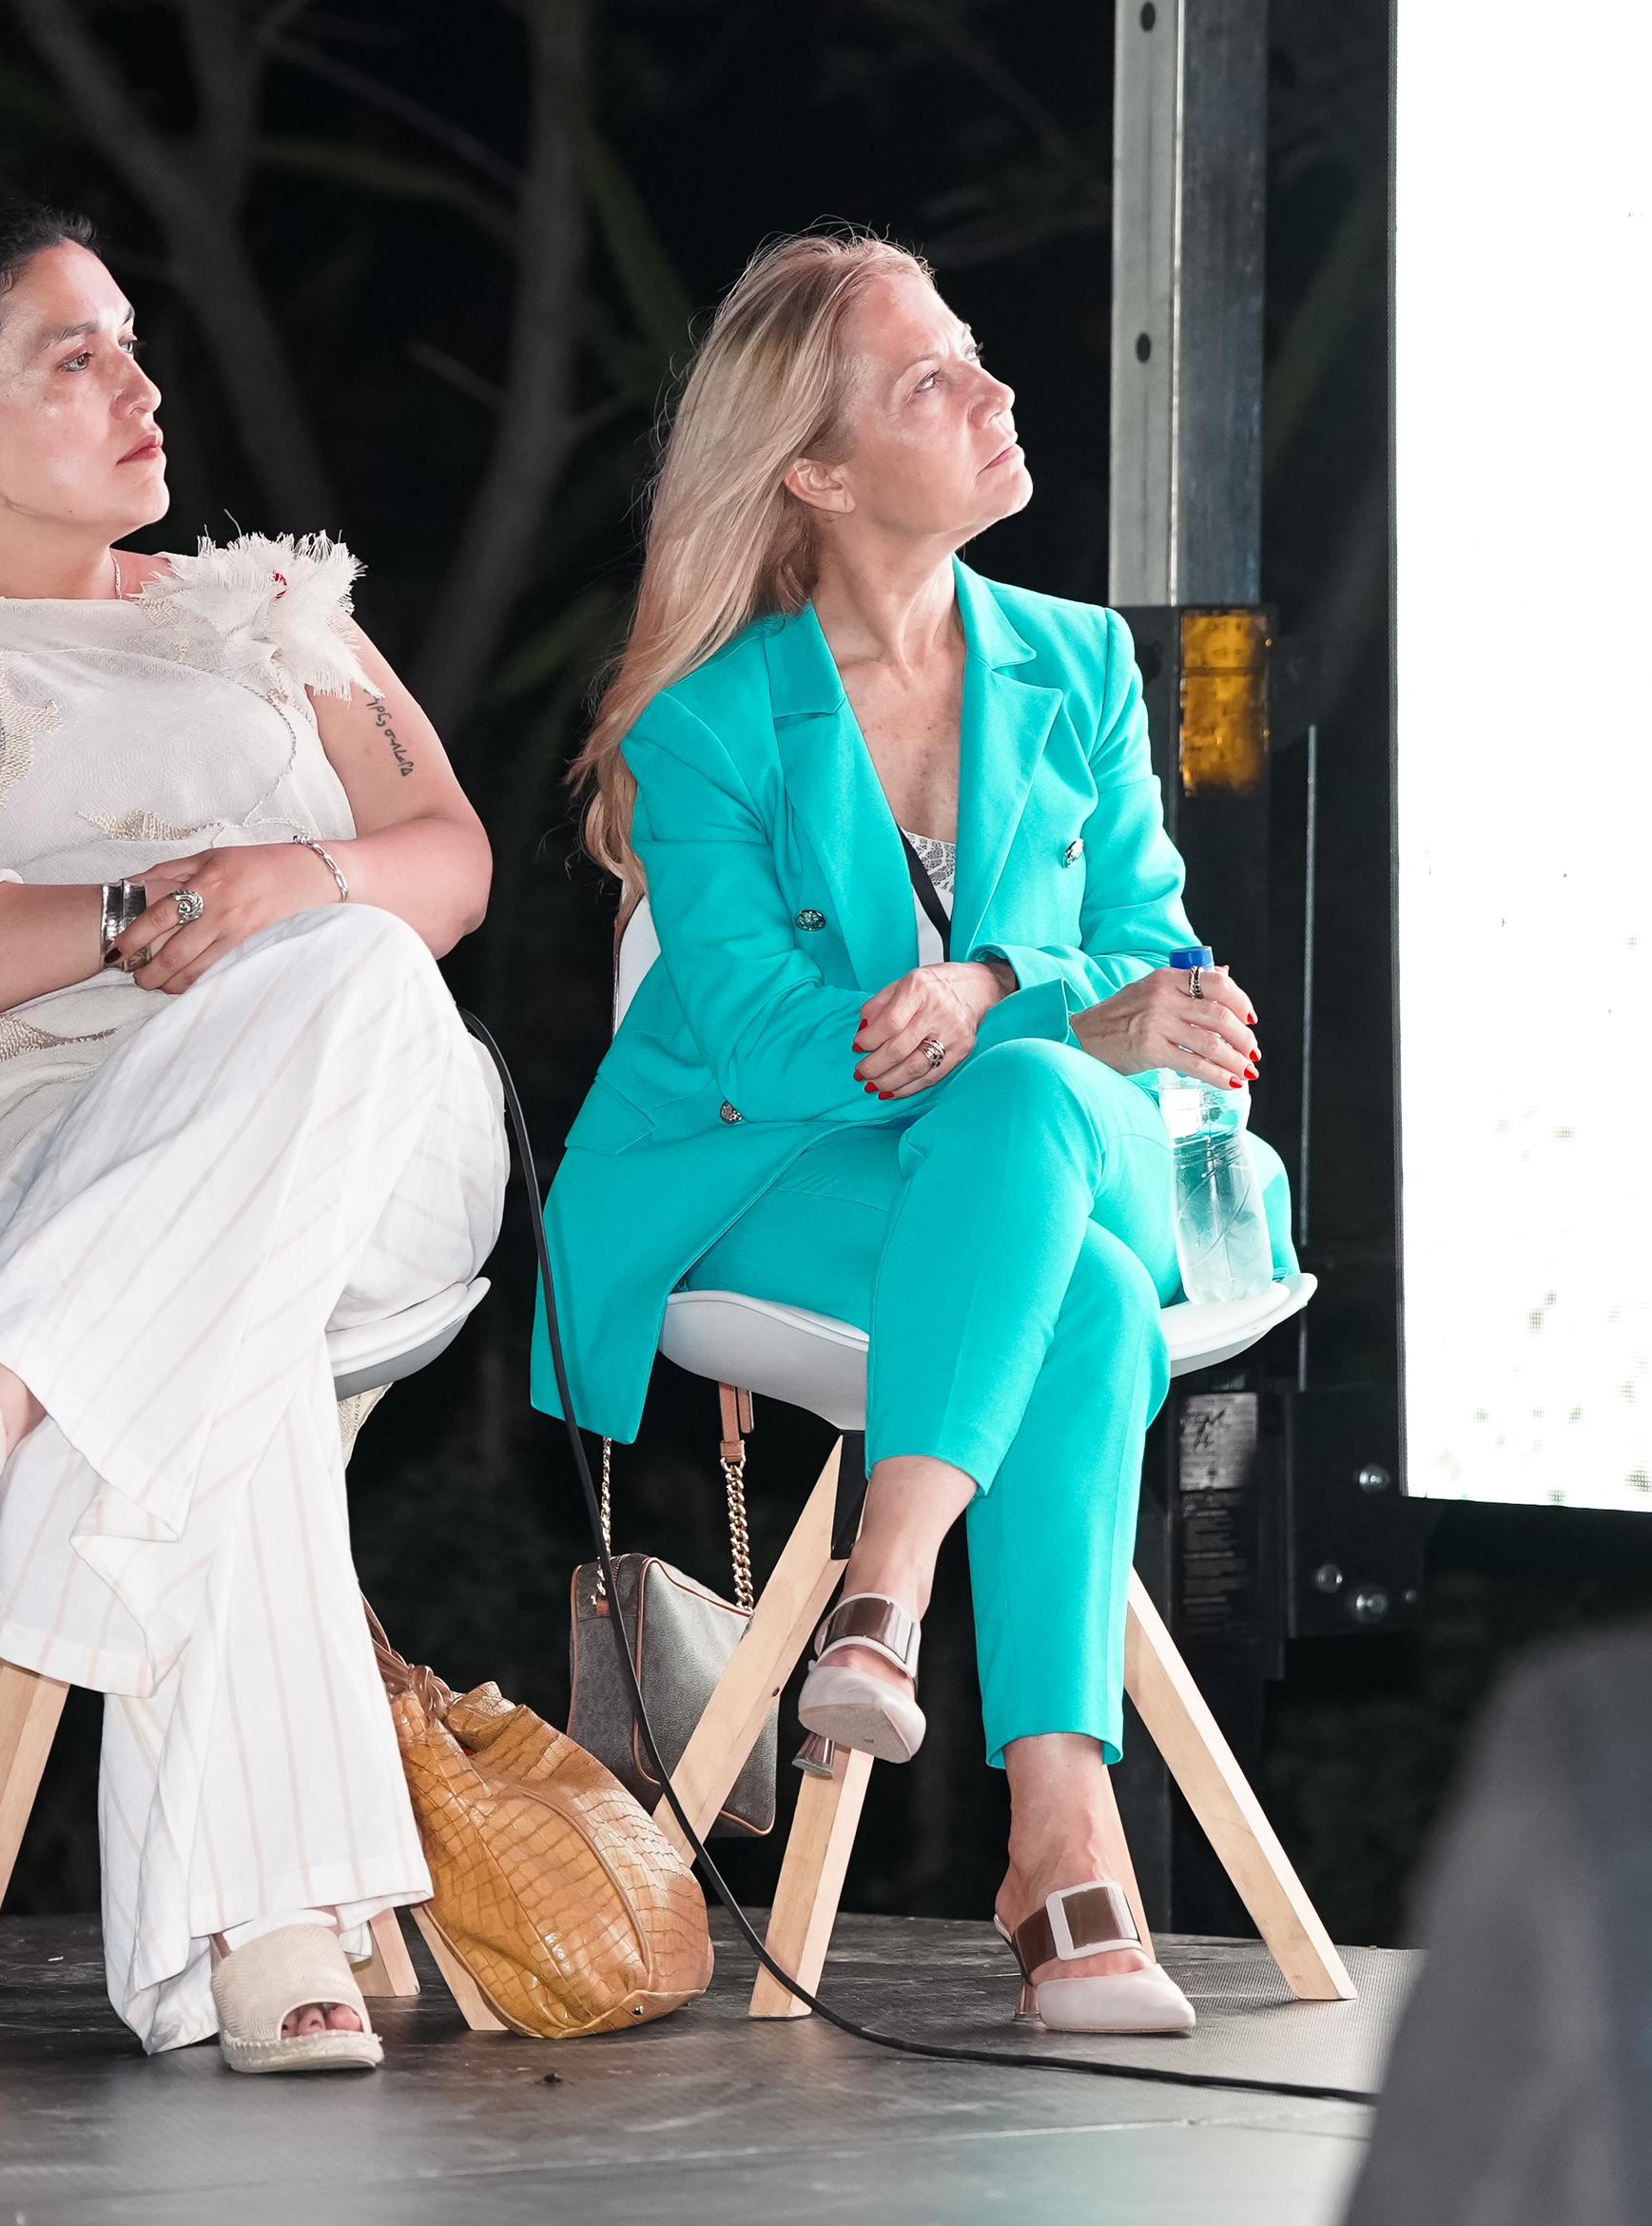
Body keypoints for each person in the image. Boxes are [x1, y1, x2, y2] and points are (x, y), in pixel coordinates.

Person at [0, 200, 505, 2075]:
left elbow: (450, 861)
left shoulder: (272, 613)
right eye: (77, 356)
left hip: (370, 1150)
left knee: (350, 964)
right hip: (23, 1159)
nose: (142, 386)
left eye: (135, 343)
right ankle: (261, 1927)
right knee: (218, 1342)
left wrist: (283, 886)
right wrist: (142, 917)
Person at [534, 228, 1291, 2036]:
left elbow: (1154, 944)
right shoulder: (709, 729)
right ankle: (1061, 1841)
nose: (996, 391)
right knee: (1077, 1296)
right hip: (782, 1177)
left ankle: (887, 1579)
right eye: (931, 379)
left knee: (1028, 1103)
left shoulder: (1080, 664)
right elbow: (772, 1042)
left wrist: (1007, 992)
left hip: (1085, 1142)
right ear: (814, 470)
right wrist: (1058, 1018)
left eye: (974, 354)